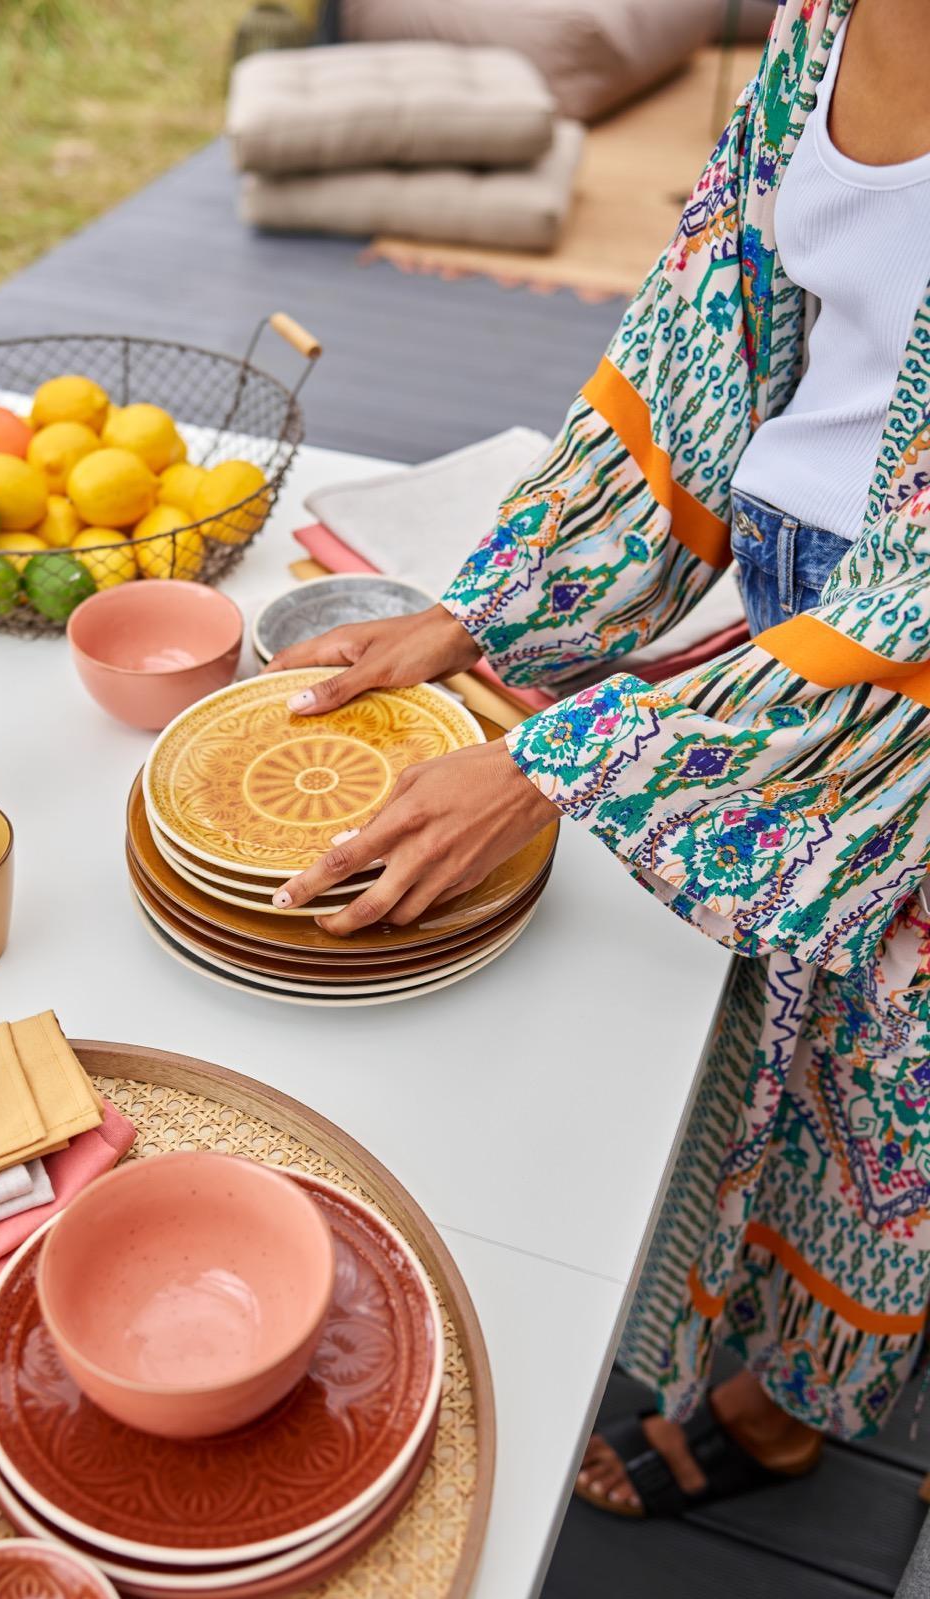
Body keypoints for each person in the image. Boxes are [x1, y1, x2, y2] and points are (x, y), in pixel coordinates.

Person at [262, 0, 930, 1517]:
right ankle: (746, 1329)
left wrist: (553, 768)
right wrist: (478, 615)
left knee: (894, 1064)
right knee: (780, 1012)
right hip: (794, 597)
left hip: (905, 664)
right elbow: (707, 341)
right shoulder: (825, 28)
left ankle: (788, 1401)